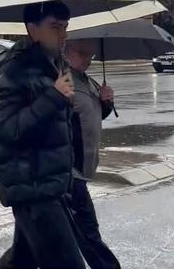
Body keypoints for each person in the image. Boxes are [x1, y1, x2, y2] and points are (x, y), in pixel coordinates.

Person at [0, 1, 86, 269]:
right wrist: (53, 97)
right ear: (32, 30)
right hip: (32, 188)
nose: (62, 34)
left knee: (21, 261)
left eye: (65, 27)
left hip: (50, 183)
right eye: (55, 27)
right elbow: (6, 130)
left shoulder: (55, 66)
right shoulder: (12, 71)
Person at [65, 40, 121, 269]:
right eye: (83, 53)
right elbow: (56, 123)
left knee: (31, 243)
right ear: (67, 51)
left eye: (91, 54)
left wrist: (106, 103)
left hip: (80, 171)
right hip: (70, 173)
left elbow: (89, 117)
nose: (89, 58)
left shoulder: (86, 80)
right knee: (89, 235)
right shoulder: (63, 80)